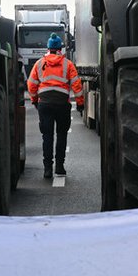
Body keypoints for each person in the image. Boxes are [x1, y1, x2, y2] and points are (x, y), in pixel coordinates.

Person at [27, 32, 84, 179]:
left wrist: (34, 99)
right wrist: (80, 103)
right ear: (60, 48)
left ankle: (47, 168)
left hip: (44, 103)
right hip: (61, 104)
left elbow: (31, 84)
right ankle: (59, 166)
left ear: (48, 48)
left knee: (47, 136)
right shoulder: (68, 64)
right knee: (61, 135)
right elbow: (76, 85)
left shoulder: (39, 63)